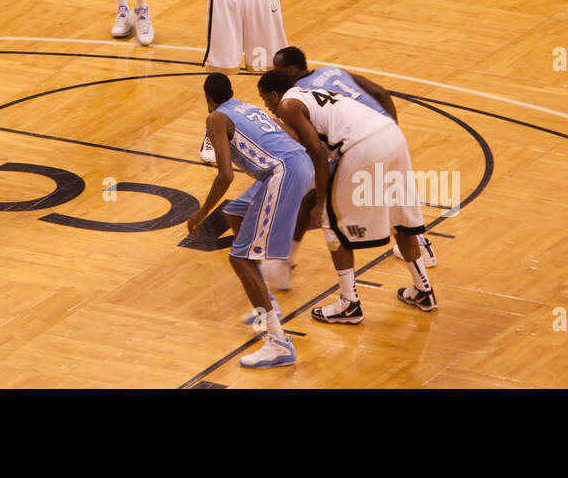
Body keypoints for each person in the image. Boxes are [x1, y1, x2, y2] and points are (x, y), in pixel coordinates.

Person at [256, 69, 436, 325]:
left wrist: (319, 203)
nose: (267, 106)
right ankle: (423, 289)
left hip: (363, 146)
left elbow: (318, 154)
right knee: (401, 221)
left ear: (274, 95)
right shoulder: (311, 95)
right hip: (392, 136)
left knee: (331, 223)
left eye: (264, 100)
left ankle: (349, 303)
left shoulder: (287, 105)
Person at [185, 73, 314, 369]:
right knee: (235, 212)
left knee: (239, 258)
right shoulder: (246, 108)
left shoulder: (216, 118)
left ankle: (278, 343)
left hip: (283, 172)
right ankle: (266, 306)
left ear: (207, 98)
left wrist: (200, 213)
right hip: (298, 162)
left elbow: (225, 175)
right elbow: (288, 135)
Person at [270, 45, 436, 273]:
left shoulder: (297, 95)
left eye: (277, 69)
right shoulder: (332, 70)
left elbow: (314, 150)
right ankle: (422, 247)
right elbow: (381, 93)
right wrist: (393, 128)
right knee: (396, 200)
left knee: (318, 202)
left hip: (359, 142)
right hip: (387, 132)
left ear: (289, 71)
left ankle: (285, 264)